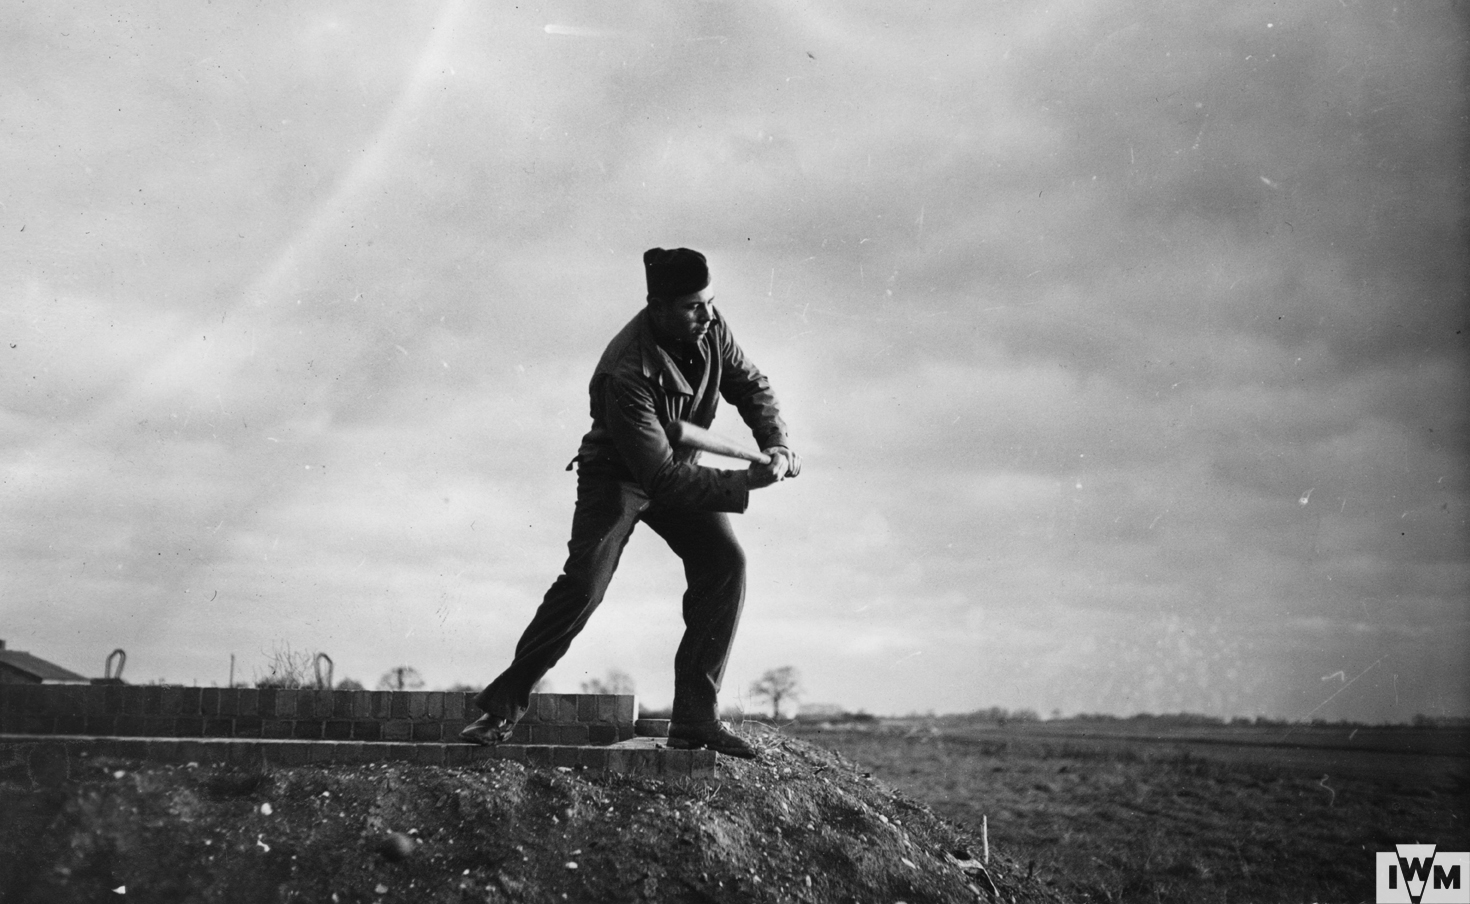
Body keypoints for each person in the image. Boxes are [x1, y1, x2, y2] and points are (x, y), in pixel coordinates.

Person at [460, 247, 800, 759]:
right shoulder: (625, 369)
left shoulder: (711, 326)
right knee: (584, 587)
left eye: (709, 303)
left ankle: (694, 719)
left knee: (724, 562)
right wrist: (747, 483)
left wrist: (776, 442)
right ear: (657, 306)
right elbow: (658, 478)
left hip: (677, 467)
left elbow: (750, 384)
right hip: (618, 477)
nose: (706, 314)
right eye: (691, 306)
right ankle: (503, 705)